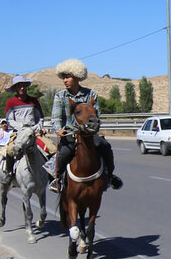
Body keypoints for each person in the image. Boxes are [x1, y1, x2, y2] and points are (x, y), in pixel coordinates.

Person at [48, 58, 121, 194]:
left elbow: (96, 115)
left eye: (68, 77)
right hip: (69, 134)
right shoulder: (60, 96)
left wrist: (93, 128)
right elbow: (56, 117)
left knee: (105, 147)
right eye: (63, 77)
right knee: (63, 153)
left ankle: (110, 176)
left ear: (77, 77)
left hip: (89, 134)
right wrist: (58, 130)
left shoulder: (90, 94)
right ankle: (56, 179)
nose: (65, 80)